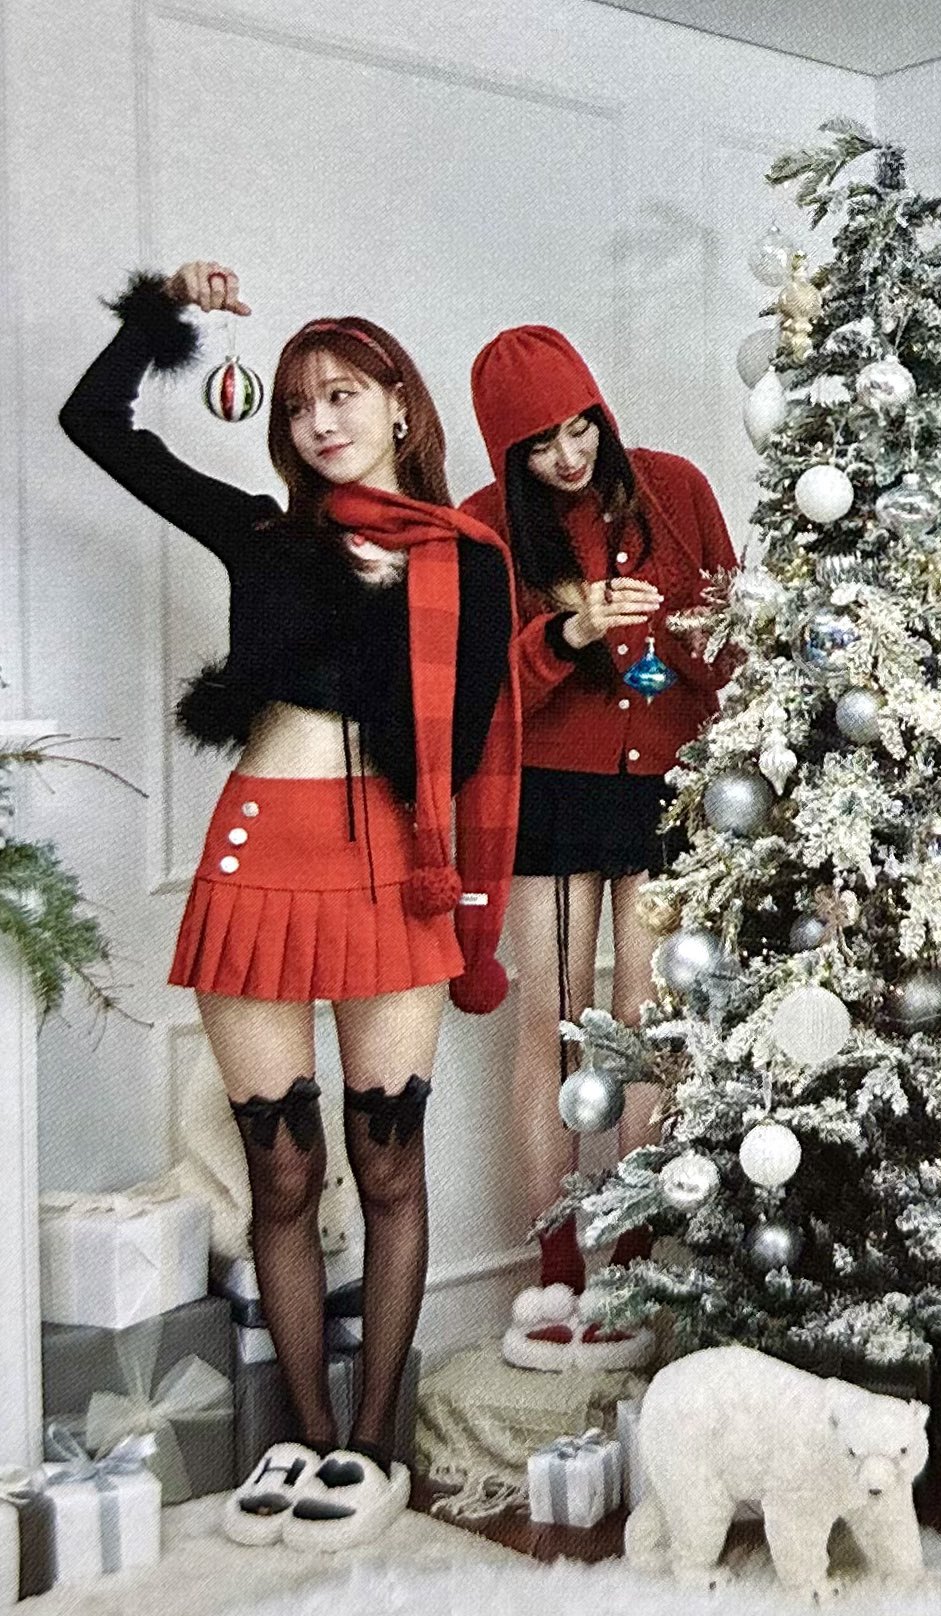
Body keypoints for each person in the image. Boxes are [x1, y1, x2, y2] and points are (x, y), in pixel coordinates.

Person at [60, 261, 519, 1548]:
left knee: (387, 1160)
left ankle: (374, 1446)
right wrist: (168, 309)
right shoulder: (259, 534)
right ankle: (308, 1434)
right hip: (257, 858)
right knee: (281, 1170)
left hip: (388, 866)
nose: (320, 420)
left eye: (344, 395)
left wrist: (397, 605)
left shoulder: (463, 559)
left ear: (399, 407)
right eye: (301, 404)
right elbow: (95, 424)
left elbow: (469, 737)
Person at [462, 326, 736, 1327]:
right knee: (554, 1024)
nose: (568, 456)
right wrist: (570, 632)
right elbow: (479, 693)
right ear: (510, 455)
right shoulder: (485, 526)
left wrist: (680, 635)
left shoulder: (675, 488)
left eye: (580, 429)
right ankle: (554, 1271)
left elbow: (732, 645)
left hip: (665, 785)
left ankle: (628, 1259)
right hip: (548, 791)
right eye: (540, 445)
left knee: (642, 1024)